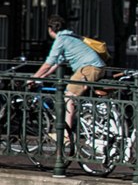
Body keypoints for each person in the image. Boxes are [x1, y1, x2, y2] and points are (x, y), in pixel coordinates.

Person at [28, 14, 106, 148]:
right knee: (74, 96)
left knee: (69, 96)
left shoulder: (61, 39)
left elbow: (48, 63)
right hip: (96, 67)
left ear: (50, 30)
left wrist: (33, 78)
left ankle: (65, 135)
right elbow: (56, 64)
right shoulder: (71, 37)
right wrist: (42, 77)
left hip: (88, 68)